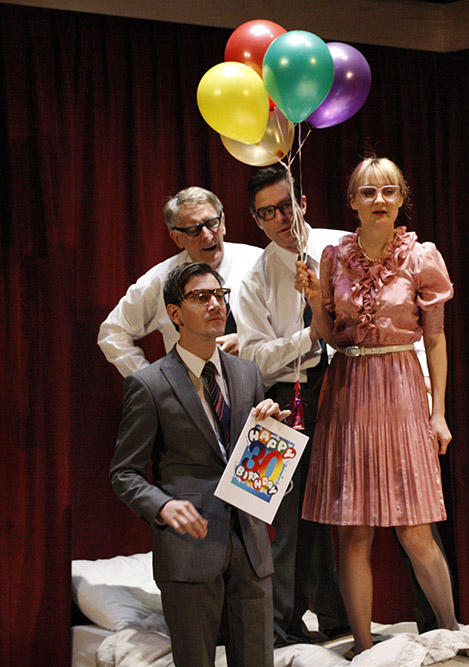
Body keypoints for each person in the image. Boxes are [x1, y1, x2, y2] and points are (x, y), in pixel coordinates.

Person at [294, 155, 459, 656]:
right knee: (353, 531)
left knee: (415, 527)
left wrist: (438, 411)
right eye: (368, 192)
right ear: (353, 202)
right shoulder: (333, 257)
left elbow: (435, 340)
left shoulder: (421, 257)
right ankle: (363, 647)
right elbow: (329, 335)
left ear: (401, 198)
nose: (379, 200)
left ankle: (453, 632)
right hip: (348, 390)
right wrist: (316, 298)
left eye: (388, 190)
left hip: (401, 388)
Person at [110, 261, 289, 667]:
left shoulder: (247, 373)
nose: (215, 304)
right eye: (201, 296)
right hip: (189, 548)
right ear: (175, 313)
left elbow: (253, 468)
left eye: (220, 295)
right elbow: (124, 473)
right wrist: (162, 506)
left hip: (250, 545)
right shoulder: (149, 384)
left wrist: (272, 438)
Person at [236, 166, 350, 645]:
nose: (281, 219)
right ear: (256, 220)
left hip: (352, 383)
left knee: (358, 507)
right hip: (283, 396)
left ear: (303, 203)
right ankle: (281, 626)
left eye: (286, 206)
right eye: (268, 213)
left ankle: (343, 618)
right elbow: (253, 357)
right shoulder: (254, 277)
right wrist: (310, 337)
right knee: (277, 512)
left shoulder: (344, 247)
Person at [98, 186, 261, 377]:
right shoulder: (160, 280)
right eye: (194, 230)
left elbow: (286, 327)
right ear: (176, 238)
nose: (207, 235)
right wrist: (152, 382)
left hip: (261, 387)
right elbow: (112, 332)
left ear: (223, 222)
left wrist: (248, 343)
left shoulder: (258, 263)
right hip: (192, 391)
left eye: (212, 223)